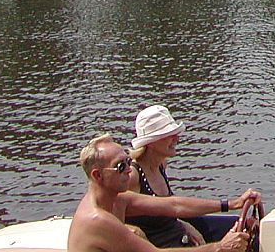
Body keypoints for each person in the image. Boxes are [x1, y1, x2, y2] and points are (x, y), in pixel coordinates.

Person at [68, 133, 254, 252]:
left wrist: (232, 204)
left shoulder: (117, 198)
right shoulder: (97, 220)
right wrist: (220, 248)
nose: (128, 169)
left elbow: (174, 205)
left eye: (127, 160)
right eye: (120, 165)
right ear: (97, 176)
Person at [126, 105, 262, 248]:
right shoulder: (132, 176)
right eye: (169, 135)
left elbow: (173, 207)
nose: (176, 138)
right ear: (151, 142)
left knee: (245, 228)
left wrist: (182, 224)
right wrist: (131, 230)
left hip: (177, 233)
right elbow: (112, 215)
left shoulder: (161, 164)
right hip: (160, 246)